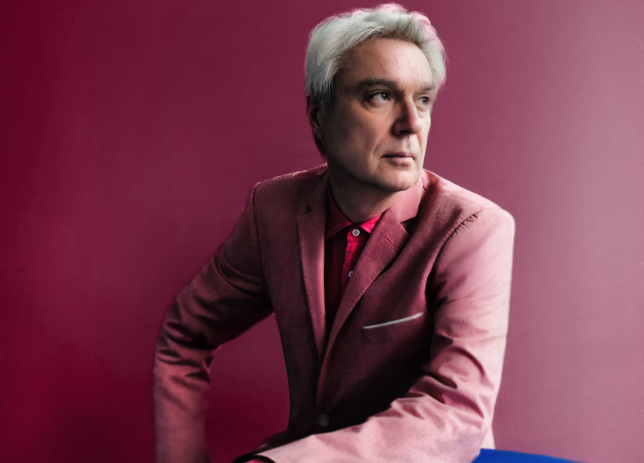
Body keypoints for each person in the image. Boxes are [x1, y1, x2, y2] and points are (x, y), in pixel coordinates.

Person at [153, 4, 515, 463]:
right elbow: (184, 334)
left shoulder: (471, 229)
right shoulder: (273, 210)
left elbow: (455, 413)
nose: (411, 122)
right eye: (380, 95)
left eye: (423, 99)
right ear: (318, 115)